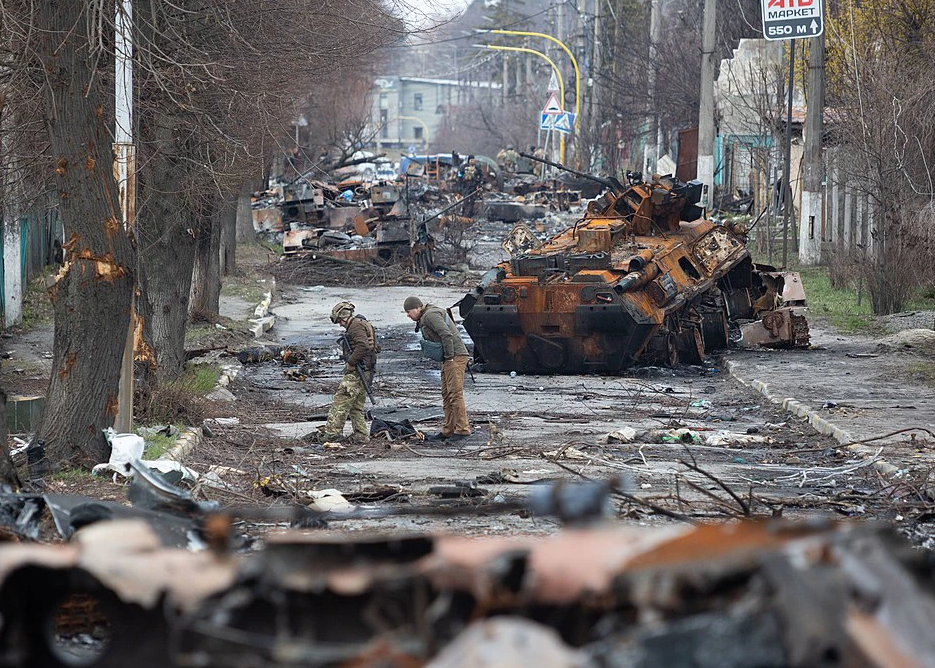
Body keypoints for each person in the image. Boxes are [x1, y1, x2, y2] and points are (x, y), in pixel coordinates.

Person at [403, 296, 471, 442]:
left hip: (455, 357)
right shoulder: (427, 315)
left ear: (417, 308)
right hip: (450, 358)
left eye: (408, 312)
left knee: (454, 394)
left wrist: (450, 356)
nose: (408, 315)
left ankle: (462, 429)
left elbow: (446, 334)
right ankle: (449, 430)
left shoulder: (430, 315)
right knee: (446, 394)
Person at [318, 301, 377, 443]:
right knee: (356, 406)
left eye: (340, 321)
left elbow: (363, 345)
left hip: (359, 371)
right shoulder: (359, 323)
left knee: (341, 401)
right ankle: (361, 434)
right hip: (365, 370)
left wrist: (351, 362)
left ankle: (332, 434)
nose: (340, 324)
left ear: (344, 317)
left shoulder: (356, 326)